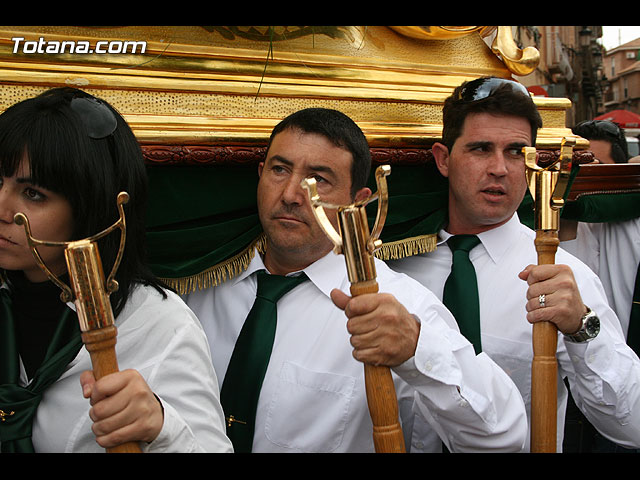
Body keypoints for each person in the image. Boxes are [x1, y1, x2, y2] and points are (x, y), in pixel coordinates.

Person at [184, 107, 528, 453]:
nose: (290, 194)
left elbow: (503, 436)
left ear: (358, 203)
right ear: (260, 175)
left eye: (318, 179)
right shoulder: (196, 287)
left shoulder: (401, 308)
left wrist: (418, 349)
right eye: (279, 170)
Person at [387, 77, 640, 452]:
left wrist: (583, 328)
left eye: (517, 151)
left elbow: (630, 426)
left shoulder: (564, 279)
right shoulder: (395, 269)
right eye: (480, 149)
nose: (499, 168)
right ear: (443, 159)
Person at [0, 87, 232, 453]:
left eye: (33, 194)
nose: (3, 207)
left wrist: (161, 426)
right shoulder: (6, 298)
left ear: (90, 208)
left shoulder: (159, 324)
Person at [559, 118, 640, 452]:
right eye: (578, 169)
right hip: (563, 396)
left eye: (599, 169)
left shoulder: (631, 223)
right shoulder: (537, 227)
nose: (584, 182)